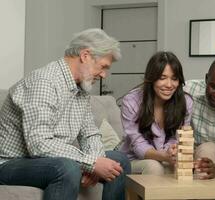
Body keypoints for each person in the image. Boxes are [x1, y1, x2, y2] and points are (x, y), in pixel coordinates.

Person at [0, 28, 131, 200]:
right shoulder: (44, 82)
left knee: (119, 161)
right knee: (66, 168)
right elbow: (39, 144)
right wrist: (91, 163)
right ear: (85, 56)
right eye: (103, 66)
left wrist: (96, 162)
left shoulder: (81, 89)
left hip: (53, 160)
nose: (104, 74)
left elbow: (89, 133)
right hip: (13, 163)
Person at [119, 51, 193, 175]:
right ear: (152, 78)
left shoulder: (186, 102)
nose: (169, 85)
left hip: (167, 156)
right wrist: (164, 156)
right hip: (136, 160)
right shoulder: (131, 101)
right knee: (155, 167)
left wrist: (172, 151)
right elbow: (138, 144)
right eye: (162, 78)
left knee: (181, 167)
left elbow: (178, 138)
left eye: (174, 78)